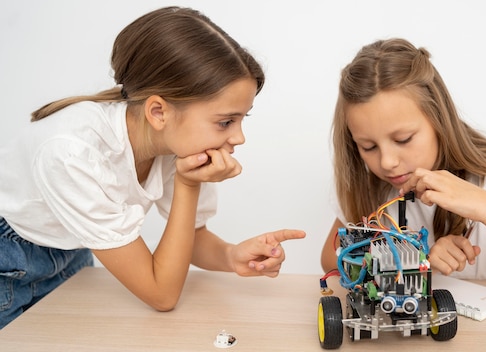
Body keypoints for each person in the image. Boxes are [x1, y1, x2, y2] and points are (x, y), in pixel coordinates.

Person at [0, 6, 305, 329]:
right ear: (158, 112)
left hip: (72, 252)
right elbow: (162, 294)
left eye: (243, 118)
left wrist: (231, 255)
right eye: (226, 121)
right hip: (11, 261)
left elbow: (191, 238)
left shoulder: (173, 143)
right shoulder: (71, 154)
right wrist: (189, 185)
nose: (239, 137)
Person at [320, 38, 486, 312]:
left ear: (439, 119)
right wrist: (418, 261)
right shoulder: (368, 186)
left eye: (403, 139)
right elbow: (332, 259)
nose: (388, 162)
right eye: (368, 147)